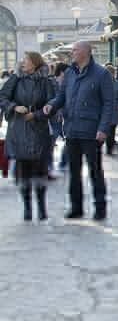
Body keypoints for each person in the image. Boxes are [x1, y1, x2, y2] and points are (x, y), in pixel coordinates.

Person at [44, 41, 115, 221]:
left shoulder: (101, 74)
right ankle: (76, 208)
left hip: (92, 132)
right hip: (72, 130)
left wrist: (103, 128)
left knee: (95, 171)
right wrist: (51, 105)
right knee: (74, 171)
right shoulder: (69, 73)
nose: (72, 52)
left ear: (86, 52)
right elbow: (61, 95)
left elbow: (109, 104)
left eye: (75, 49)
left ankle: (100, 208)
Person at [0, 52, 56, 222]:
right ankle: (27, 207)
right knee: (23, 171)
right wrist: (14, 107)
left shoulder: (46, 82)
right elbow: (2, 97)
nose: (23, 62)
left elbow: (52, 103)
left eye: (27, 60)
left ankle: (41, 206)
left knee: (40, 171)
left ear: (35, 63)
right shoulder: (15, 79)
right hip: (19, 130)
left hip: (39, 130)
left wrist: (38, 114)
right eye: (23, 60)